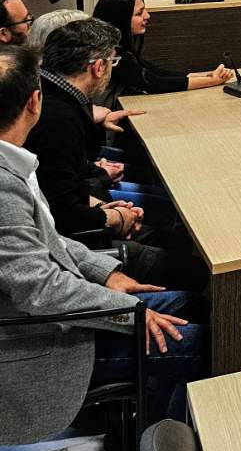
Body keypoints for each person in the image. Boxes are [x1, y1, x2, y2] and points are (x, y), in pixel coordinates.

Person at [0, 44, 206, 445]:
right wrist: (127, 310)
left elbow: (48, 240)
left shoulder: (13, 162)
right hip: (40, 340)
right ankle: (159, 443)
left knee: (193, 304)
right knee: (198, 343)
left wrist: (106, 273)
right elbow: (40, 289)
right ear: (35, 102)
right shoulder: (3, 185)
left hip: (63, 310)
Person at [27, 20, 204, 290]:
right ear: (98, 67)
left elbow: (58, 187)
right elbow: (60, 212)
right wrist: (114, 218)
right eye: (113, 62)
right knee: (195, 271)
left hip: (79, 217)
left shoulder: (47, 93)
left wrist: (105, 210)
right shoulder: (58, 118)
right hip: (70, 251)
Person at [92, 0, 233, 95]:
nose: (147, 16)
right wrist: (212, 81)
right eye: (139, 13)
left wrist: (205, 76)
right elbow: (155, 83)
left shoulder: (119, 47)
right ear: (120, 20)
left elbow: (155, 71)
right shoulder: (113, 55)